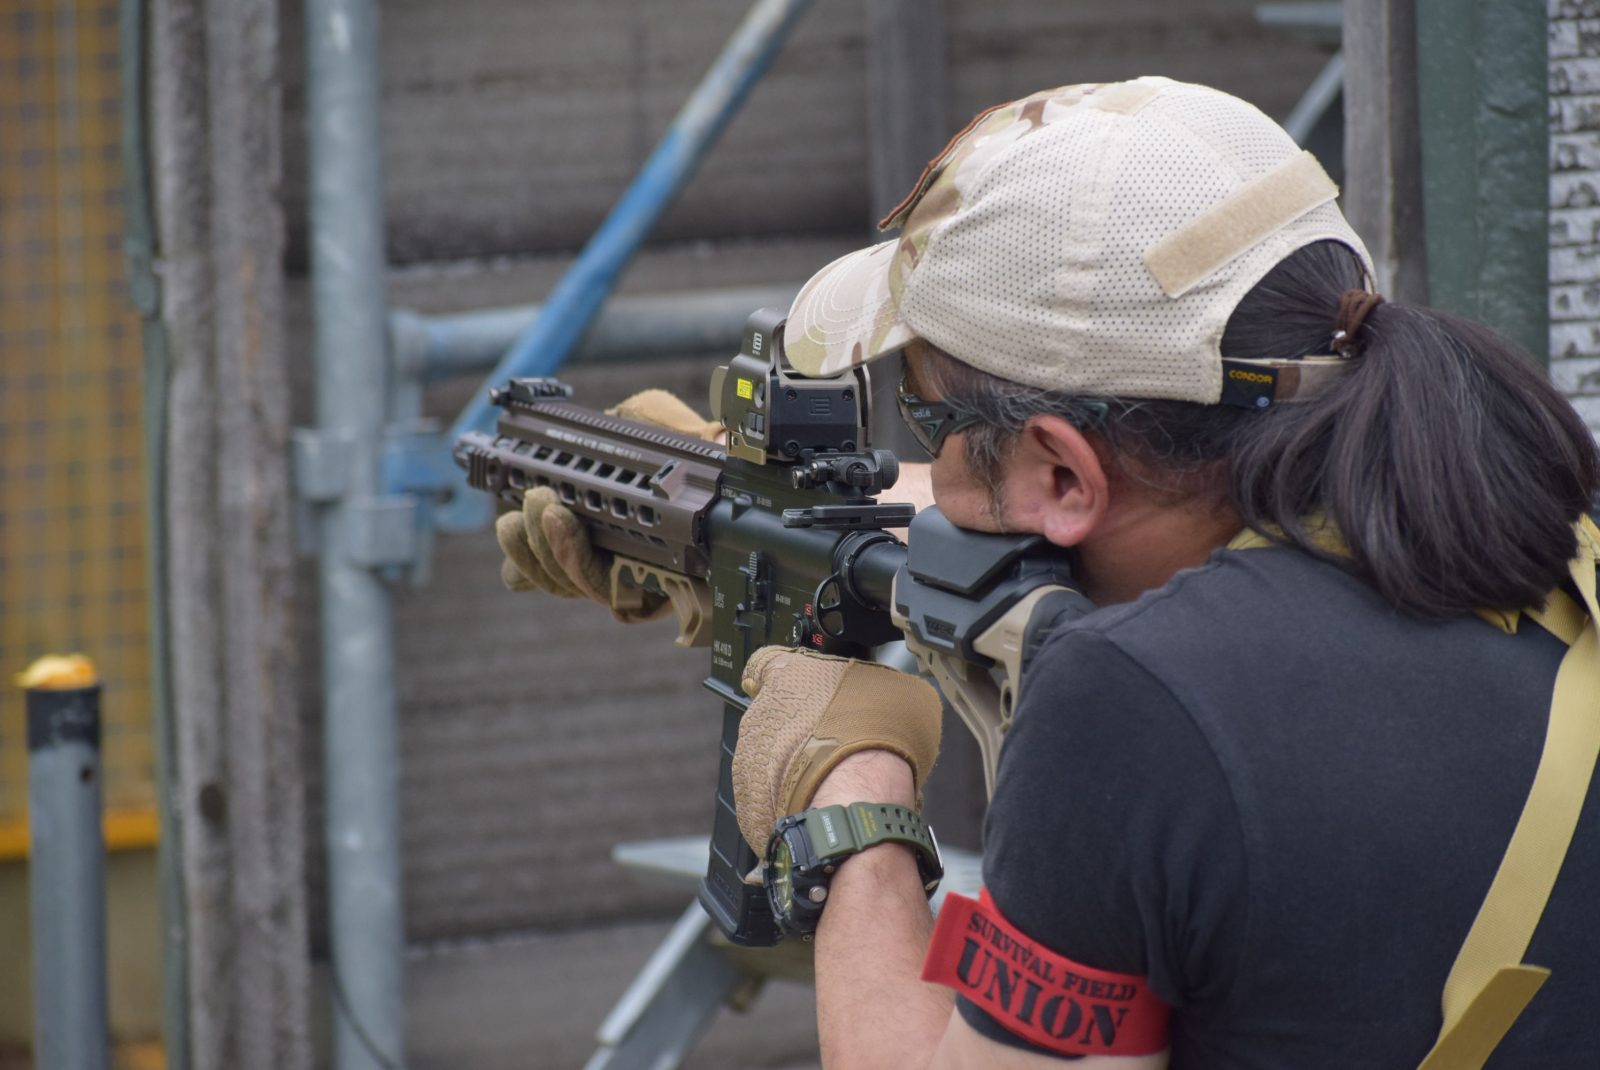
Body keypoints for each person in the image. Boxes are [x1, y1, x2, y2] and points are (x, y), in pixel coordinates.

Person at [499, 78, 1600, 1068]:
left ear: (1063, 474)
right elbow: (1015, 511)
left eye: (925, 418)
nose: (923, 462)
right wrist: (735, 509)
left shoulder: (1135, 708)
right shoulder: (1544, 537)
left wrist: (852, 798)